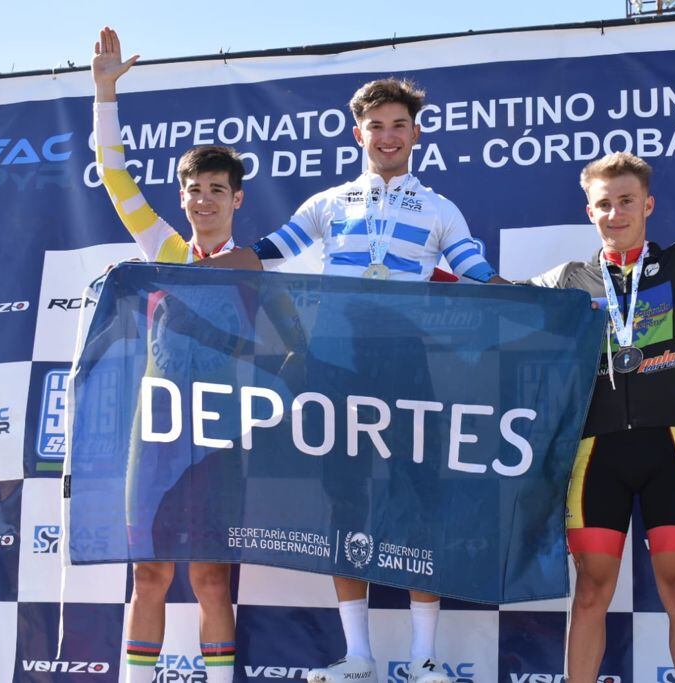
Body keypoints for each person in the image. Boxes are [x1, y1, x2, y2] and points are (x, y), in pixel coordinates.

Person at [204, 77, 505, 683]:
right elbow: (263, 252)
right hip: (336, 366)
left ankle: (423, 658)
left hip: (405, 364)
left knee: (420, 500)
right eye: (376, 126)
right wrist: (170, 269)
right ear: (358, 133)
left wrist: (545, 302)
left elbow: (478, 274)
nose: (387, 136)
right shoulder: (328, 203)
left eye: (398, 125)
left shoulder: (441, 209)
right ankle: (358, 657)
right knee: (346, 503)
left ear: (416, 135)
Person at [524, 54, 675, 683]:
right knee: (590, 594)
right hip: (595, 452)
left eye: (626, 201)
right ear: (590, 212)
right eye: (603, 204)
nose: (615, 213)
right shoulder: (568, 280)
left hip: (666, 447)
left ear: (649, 205)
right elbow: (501, 305)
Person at [91, 26, 240, 683]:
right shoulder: (164, 248)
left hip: (218, 438)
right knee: (148, 573)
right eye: (193, 189)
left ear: (237, 198)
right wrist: (104, 93)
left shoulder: (256, 265)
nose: (203, 199)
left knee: (211, 578)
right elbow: (114, 174)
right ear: (181, 197)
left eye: (216, 188)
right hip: (154, 434)